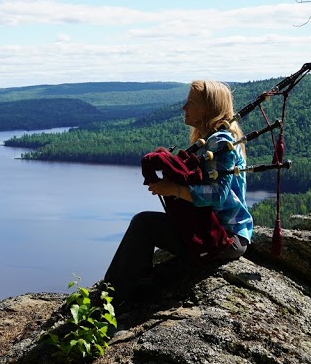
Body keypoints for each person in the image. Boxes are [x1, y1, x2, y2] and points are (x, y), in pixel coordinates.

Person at [102, 79, 254, 306]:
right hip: (213, 230)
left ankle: (114, 300)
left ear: (208, 108)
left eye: (190, 102)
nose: (184, 107)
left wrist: (174, 189)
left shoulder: (220, 142)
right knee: (145, 223)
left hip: (227, 237)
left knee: (144, 225)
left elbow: (217, 195)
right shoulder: (212, 140)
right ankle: (133, 287)